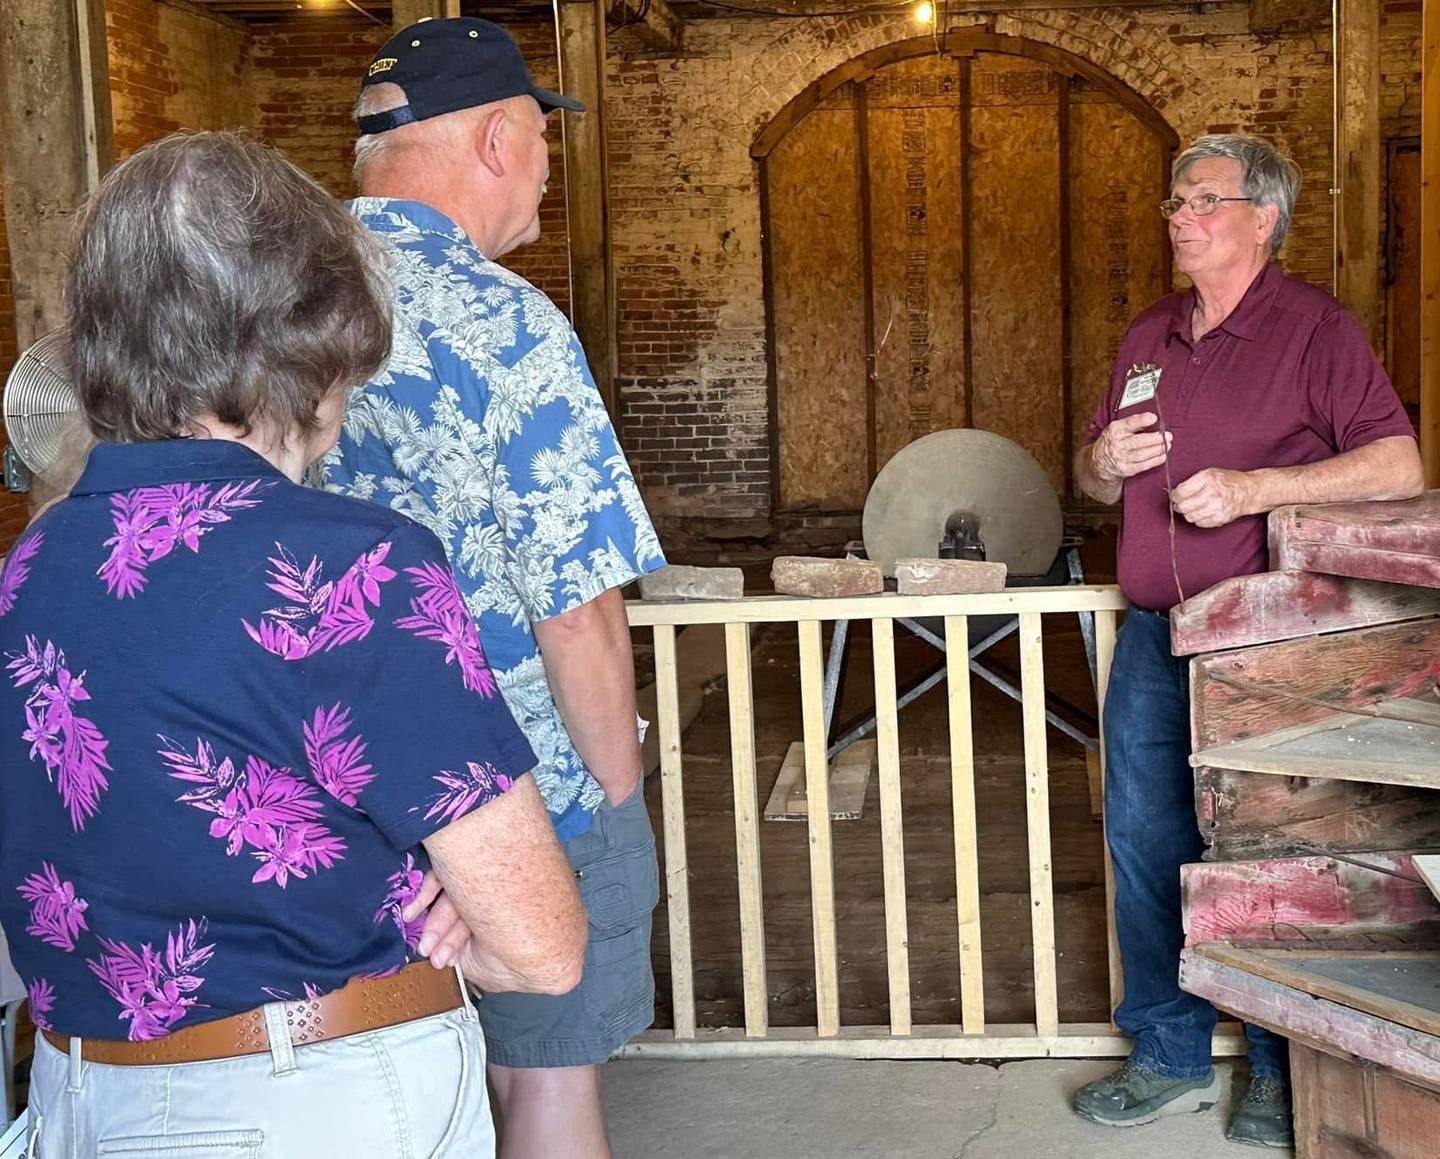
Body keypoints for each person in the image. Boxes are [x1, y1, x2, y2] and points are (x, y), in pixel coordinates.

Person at [0, 130, 587, 1158]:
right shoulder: (352, 571)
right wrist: (459, 915)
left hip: (75, 1097)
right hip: (308, 1102)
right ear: (315, 338)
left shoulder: (30, 567)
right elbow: (543, 947)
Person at [323, 18, 667, 1159]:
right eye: (541, 142)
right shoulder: (507, 326)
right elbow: (577, 611)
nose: (543, 173)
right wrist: (616, 801)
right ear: (495, 139)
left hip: (310, 798)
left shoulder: (261, 310)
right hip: (511, 791)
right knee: (544, 1084)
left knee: (363, 1086)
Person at [1070, 134, 1424, 1148]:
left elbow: (1398, 460)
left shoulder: (1316, 329)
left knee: (1265, 848)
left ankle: (1274, 1066)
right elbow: (1097, 485)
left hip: (1263, 647)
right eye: (1176, 201)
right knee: (1145, 843)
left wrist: (1260, 488)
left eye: (1204, 201)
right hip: (1152, 638)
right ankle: (1169, 1051)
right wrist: (1101, 460)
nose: (1180, 216)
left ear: (1263, 218)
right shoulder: (1148, 335)